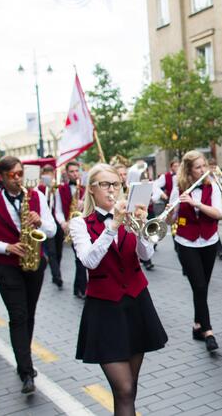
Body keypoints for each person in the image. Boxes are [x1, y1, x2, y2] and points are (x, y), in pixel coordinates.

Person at [70, 164, 167, 416]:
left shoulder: (131, 217)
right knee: (123, 389)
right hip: (105, 309)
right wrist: (112, 226)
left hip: (136, 304)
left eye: (115, 184)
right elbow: (89, 260)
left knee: (129, 389)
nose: (112, 189)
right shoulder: (80, 224)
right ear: (91, 190)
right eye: (105, 184)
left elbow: (146, 255)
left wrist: (143, 227)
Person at [0, 156, 57, 394]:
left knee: (29, 314)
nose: (19, 178)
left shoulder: (37, 196)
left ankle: (23, 358)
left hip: (34, 264)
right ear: (1, 177)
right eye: (13, 175)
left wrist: (40, 221)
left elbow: (51, 230)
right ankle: (26, 371)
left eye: (20, 173)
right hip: (7, 265)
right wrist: (7, 247)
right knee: (18, 315)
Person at [170, 150, 222, 352]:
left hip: (209, 241)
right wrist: (170, 211)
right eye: (198, 167)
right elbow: (171, 220)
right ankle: (208, 331)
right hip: (187, 242)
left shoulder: (214, 186)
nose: (204, 170)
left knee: (201, 287)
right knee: (199, 286)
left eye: (204, 165)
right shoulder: (179, 189)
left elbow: (218, 213)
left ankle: (197, 324)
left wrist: (197, 203)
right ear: (189, 171)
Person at [55, 161, 87, 297]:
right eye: (71, 171)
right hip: (70, 226)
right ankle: (83, 289)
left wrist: (84, 203)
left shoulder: (86, 189)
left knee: (81, 258)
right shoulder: (59, 190)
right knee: (79, 258)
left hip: (85, 226)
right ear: (67, 174)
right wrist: (63, 223)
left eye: (76, 171)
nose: (75, 174)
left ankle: (77, 288)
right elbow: (57, 210)